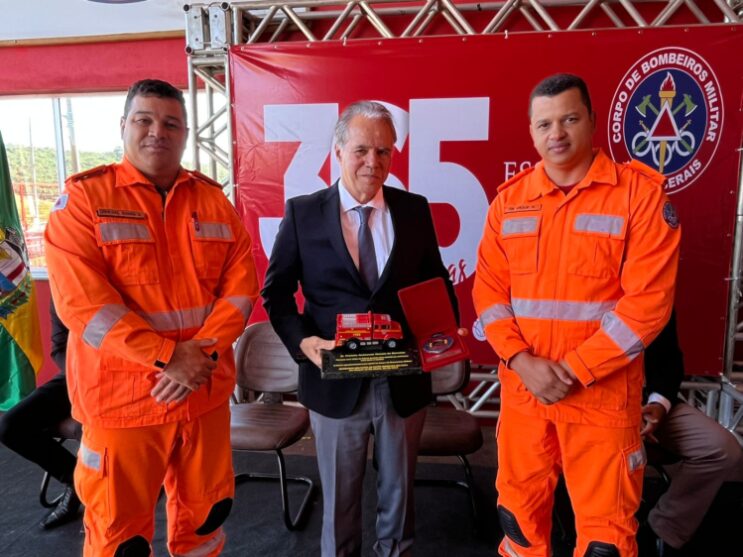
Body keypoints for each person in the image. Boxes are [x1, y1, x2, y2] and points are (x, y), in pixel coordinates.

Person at [44, 79, 260, 557]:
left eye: (170, 123)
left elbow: (241, 291)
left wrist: (197, 358)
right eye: (144, 119)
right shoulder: (82, 202)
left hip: (202, 396)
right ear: (124, 126)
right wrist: (168, 358)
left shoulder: (214, 201)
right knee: (120, 539)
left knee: (206, 520)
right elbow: (85, 306)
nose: (156, 131)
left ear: (185, 134)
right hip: (123, 404)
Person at [473, 73, 681, 557]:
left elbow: (647, 306)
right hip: (525, 398)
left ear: (591, 120)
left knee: (605, 541)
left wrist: (573, 372)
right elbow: (490, 292)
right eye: (545, 123)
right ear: (531, 130)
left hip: (602, 399)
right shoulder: (509, 202)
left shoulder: (640, 197)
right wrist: (522, 362)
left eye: (569, 119)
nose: (557, 134)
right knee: (519, 527)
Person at [262, 101, 457, 557]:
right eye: (362, 150)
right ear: (338, 150)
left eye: (385, 152)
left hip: (402, 379)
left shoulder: (414, 210)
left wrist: (444, 333)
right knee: (340, 506)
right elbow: (275, 294)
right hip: (333, 385)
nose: (374, 162)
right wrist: (305, 342)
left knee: (400, 499)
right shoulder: (303, 212)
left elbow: (436, 283)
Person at [641, 311, 743, 556]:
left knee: (720, 447)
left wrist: (658, 405)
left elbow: (670, 360)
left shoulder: (654, 293)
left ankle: (661, 531)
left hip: (646, 405)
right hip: (591, 409)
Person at [0, 299, 81, 529]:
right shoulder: (62, 292)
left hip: (125, 380)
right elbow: (59, 347)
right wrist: (82, 379)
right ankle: (75, 480)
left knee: (90, 429)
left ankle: (106, 497)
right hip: (77, 376)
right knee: (10, 426)